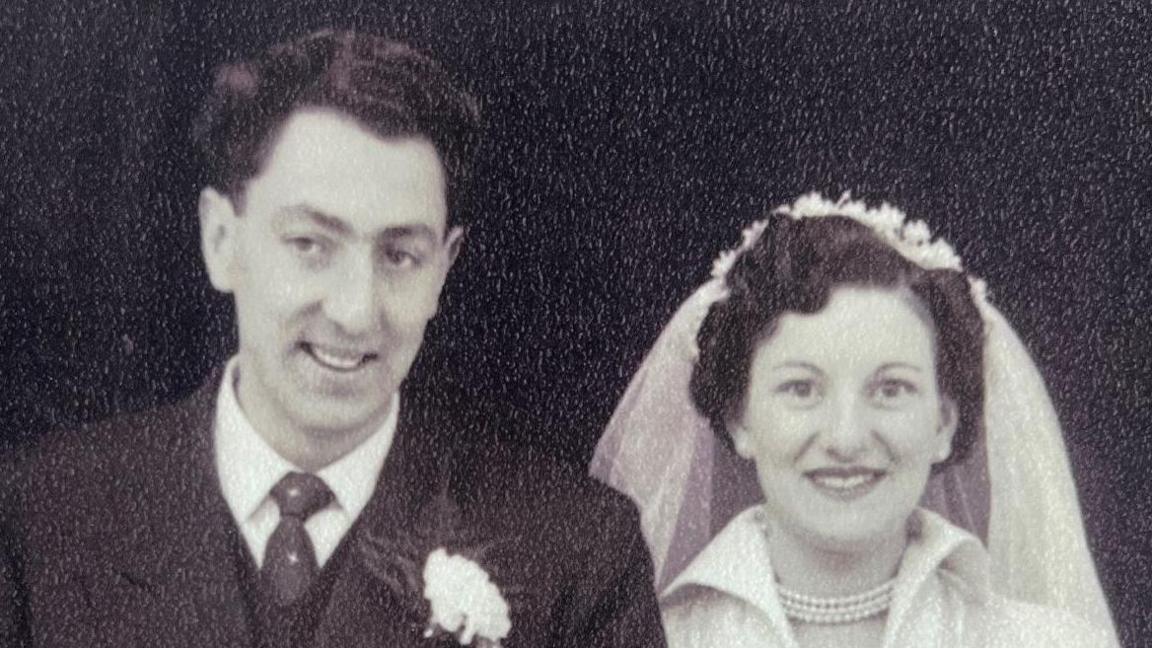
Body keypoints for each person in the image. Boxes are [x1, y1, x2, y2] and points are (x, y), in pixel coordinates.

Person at [0, 30, 666, 648]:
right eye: (311, 245)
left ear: (444, 268)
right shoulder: (39, 520)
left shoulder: (576, 552)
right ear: (222, 241)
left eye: (400, 254)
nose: (354, 311)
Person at [592, 193, 1119, 647]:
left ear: (943, 423)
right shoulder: (652, 642)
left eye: (891, 389)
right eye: (801, 389)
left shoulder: (1053, 643)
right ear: (739, 420)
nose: (846, 438)